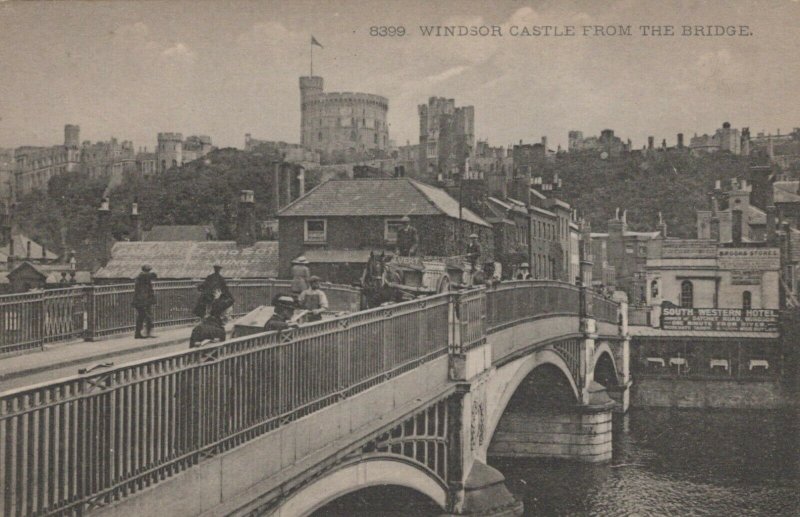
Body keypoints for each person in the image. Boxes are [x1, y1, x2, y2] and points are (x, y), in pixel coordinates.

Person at [133, 265, 156, 338]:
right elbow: (154, 275)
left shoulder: (143, 278)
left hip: (143, 301)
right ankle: (142, 333)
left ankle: (141, 333)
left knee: (142, 317)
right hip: (142, 301)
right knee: (146, 316)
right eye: (148, 270)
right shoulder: (143, 276)